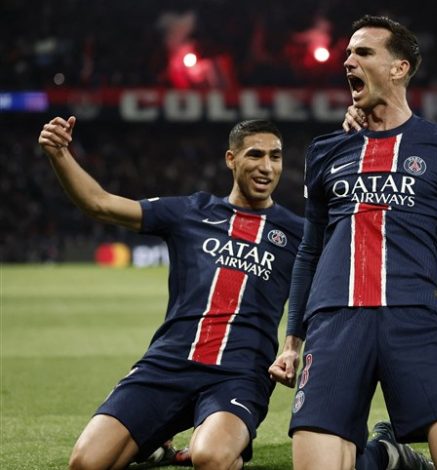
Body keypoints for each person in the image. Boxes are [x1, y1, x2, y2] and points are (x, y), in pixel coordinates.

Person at [269, 14, 437, 470]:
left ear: (399, 68)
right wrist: (292, 340)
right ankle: (387, 454)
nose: (348, 61)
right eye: (348, 53)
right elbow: (309, 250)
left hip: (418, 318)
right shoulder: (325, 150)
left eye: (363, 52)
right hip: (335, 320)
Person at [39, 117, 302, 470]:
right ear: (231, 159)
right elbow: (99, 202)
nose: (267, 167)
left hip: (240, 372)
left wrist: (291, 348)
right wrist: (59, 153)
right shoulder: (190, 211)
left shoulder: (299, 233)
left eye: (275, 156)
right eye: (255, 155)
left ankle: (217, 442)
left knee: (210, 457)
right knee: (86, 463)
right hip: (169, 362)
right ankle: (155, 444)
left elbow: (320, 295)